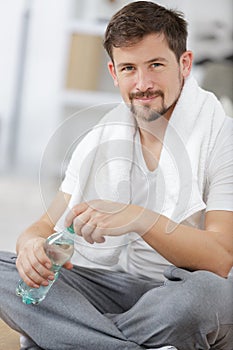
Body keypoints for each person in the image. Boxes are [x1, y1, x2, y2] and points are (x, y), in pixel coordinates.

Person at [0, 1, 232, 349]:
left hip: (174, 292)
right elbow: (42, 228)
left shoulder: (222, 136)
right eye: (129, 68)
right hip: (107, 286)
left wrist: (137, 218)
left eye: (155, 65)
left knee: (208, 297)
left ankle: (69, 335)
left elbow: (219, 258)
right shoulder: (101, 137)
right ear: (113, 72)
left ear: (184, 64)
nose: (143, 84)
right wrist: (30, 246)